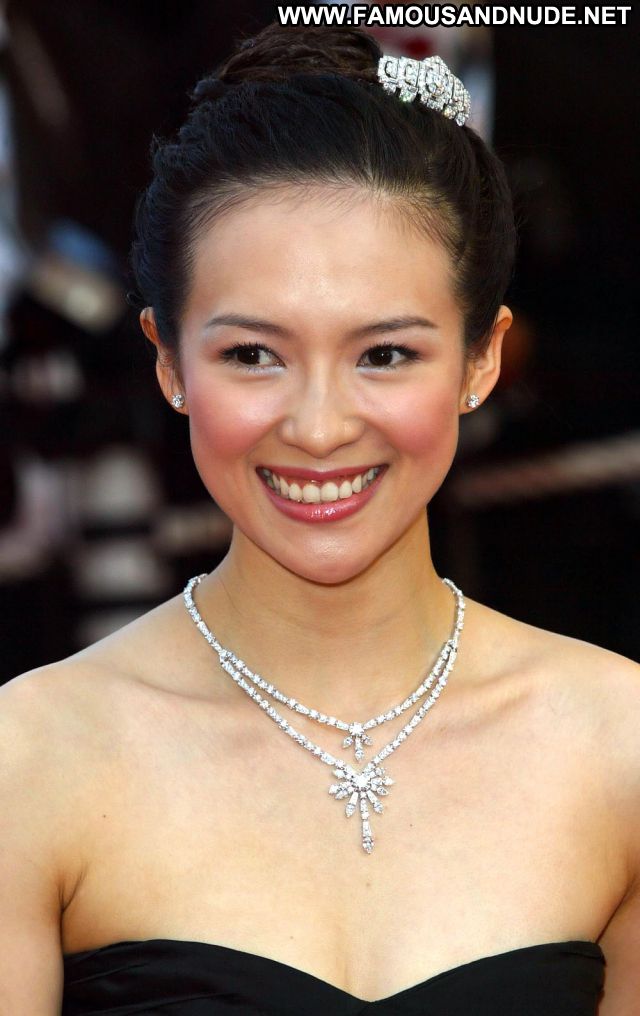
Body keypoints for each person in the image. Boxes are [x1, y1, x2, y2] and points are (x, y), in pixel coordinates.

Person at [1, 22, 638, 1015]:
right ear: (168, 360)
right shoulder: (31, 758)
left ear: (482, 358)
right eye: (253, 355)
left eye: (385, 354)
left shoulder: (617, 742)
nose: (318, 426)